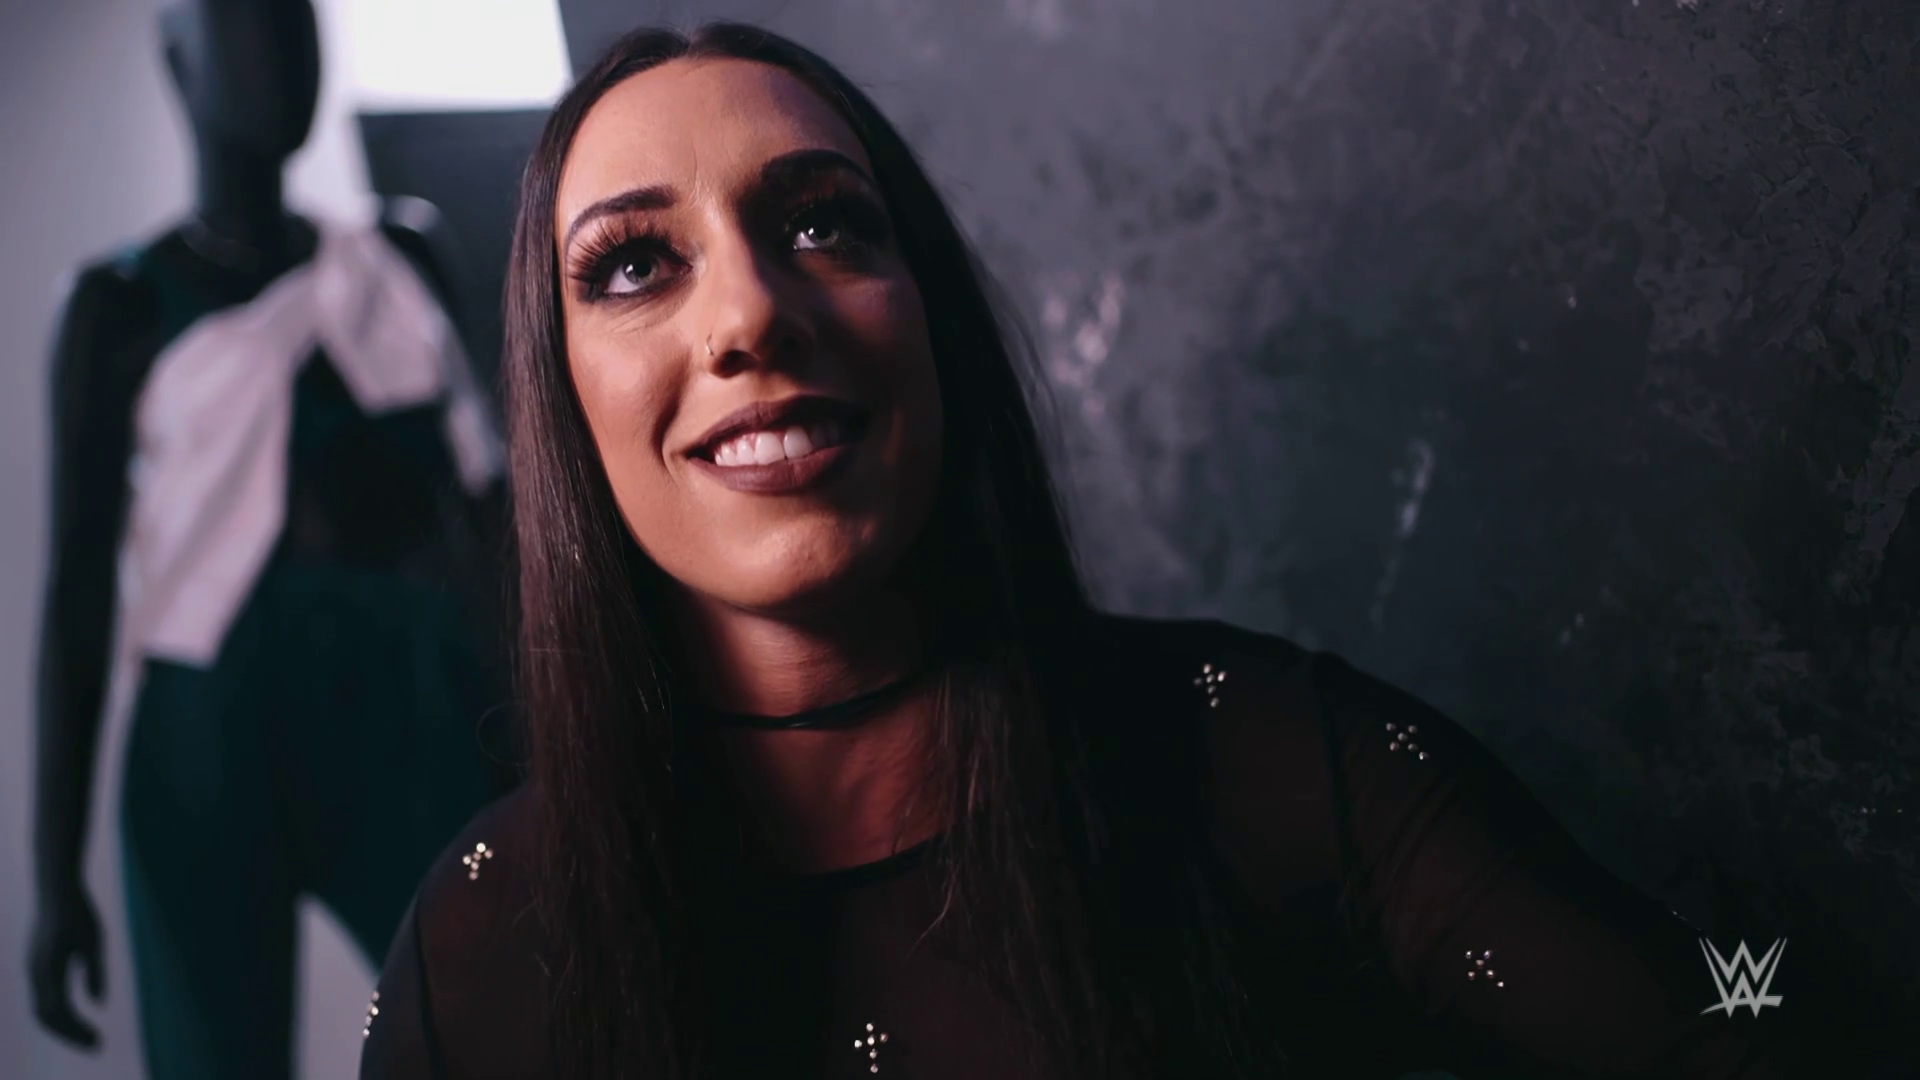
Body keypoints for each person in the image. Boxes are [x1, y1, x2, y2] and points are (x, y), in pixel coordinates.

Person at [359, 22, 1862, 1080]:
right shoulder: (479, 945)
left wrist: (1792, 991)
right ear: (560, 397)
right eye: (634, 263)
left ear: (932, 322)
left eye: (824, 225)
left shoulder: (1265, 758)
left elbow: (1734, 1017)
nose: (750, 312)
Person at [28, 1, 512, 1076]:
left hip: (416, 712)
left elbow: (498, 520)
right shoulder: (120, 306)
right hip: (210, 734)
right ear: (177, 54)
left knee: (499, 1028)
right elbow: (77, 591)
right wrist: (54, 878)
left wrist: (559, 738)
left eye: (297, 19)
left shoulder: (397, 256)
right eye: (241, 21)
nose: (280, 50)